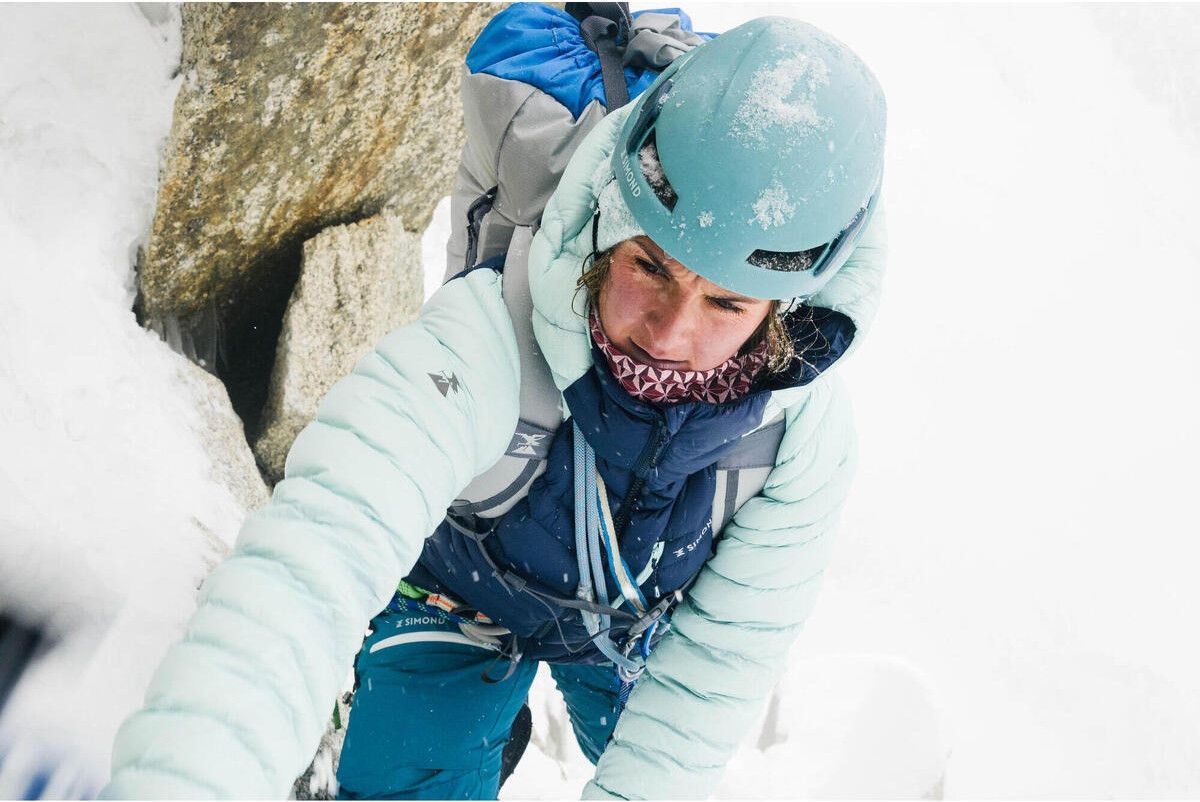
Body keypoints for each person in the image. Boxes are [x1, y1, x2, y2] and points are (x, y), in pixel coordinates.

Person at [103, 11, 887, 801]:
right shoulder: (483, 339)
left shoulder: (797, 440)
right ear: (612, 224)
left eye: (726, 303)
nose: (669, 334)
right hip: (459, 588)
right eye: (649, 267)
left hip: (636, 630)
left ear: (786, 311)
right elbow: (310, 563)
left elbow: (710, 676)